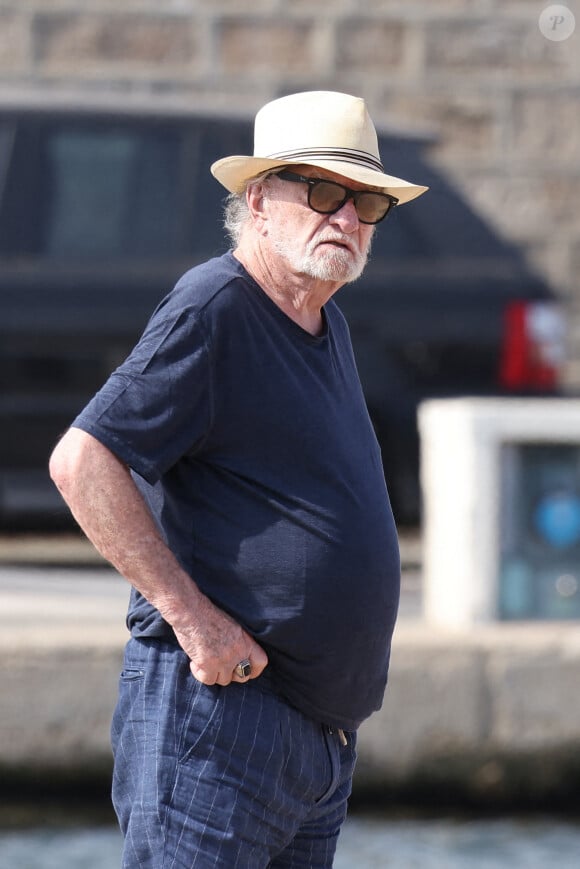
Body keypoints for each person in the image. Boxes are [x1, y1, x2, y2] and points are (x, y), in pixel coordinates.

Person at [49, 90, 427, 868]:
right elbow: (84, 460)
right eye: (323, 192)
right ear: (258, 200)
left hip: (313, 747)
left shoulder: (328, 320)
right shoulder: (216, 305)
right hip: (222, 727)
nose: (346, 218)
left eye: (365, 202)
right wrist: (192, 618)